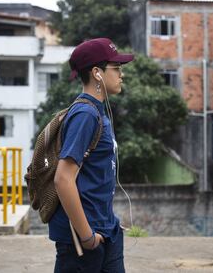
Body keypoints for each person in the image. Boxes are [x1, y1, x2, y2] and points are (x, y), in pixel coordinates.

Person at [49, 38, 134, 273]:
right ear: (97, 73)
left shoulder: (97, 111)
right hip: (82, 239)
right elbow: (63, 179)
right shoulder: (85, 114)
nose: (121, 74)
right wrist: (87, 237)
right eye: (116, 68)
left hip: (107, 229)